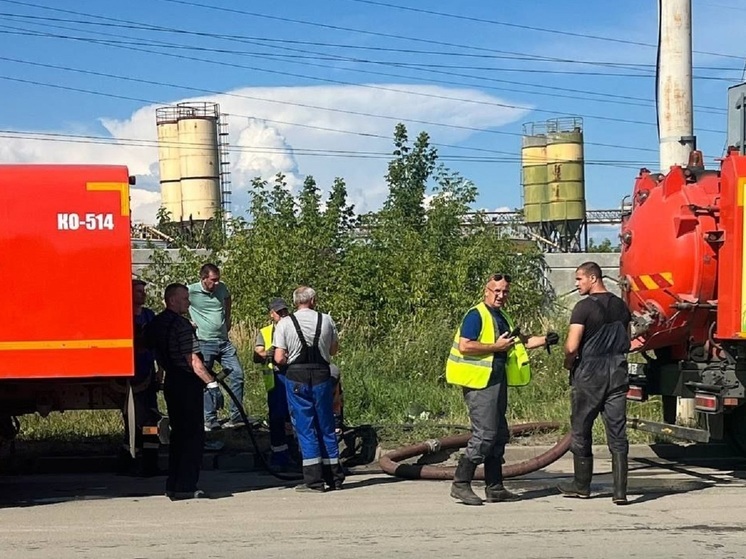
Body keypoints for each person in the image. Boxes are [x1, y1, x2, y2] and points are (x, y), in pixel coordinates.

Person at [446, 273, 559, 506]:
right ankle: (461, 483)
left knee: (499, 434)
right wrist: (495, 347)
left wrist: (545, 340)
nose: (500, 295)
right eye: (496, 291)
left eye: (505, 291)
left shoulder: (502, 316)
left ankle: (495, 487)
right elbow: (466, 345)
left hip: (497, 380)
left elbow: (519, 342)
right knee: (485, 434)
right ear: (486, 290)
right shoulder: (476, 315)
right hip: (479, 382)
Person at [558, 262, 631, 505]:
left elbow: (571, 346)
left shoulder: (584, 307)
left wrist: (569, 363)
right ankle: (620, 492)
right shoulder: (621, 305)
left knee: (581, 429)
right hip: (618, 373)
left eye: (579, 279)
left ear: (592, 278)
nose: (577, 284)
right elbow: (628, 340)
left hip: (590, 375)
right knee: (617, 434)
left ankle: (581, 486)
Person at [144, 283, 221, 501]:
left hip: (171, 382)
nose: (189, 302)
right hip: (187, 383)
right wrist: (211, 383)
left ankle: (173, 485)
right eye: (185, 299)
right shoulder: (182, 326)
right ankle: (187, 486)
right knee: (192, 437)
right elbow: (193, 360)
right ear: (173, 300)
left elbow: (146, 345)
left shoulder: (156, 324)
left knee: (177, 436)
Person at [273, 286, 343, 492]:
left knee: (306, 428)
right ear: (313, 300)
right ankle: (335, 478)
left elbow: (279, 358)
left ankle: (314, 481)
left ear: (295, 302)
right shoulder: (326, 320)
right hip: (322, 375)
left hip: (296, 378)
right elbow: (333, 350)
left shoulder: (285, 323)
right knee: (326, 424)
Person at [188, 263, 246, 431]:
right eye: (213, 280)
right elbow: (174, 302)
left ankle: (236, 416)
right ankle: (210, 418)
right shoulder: (191, 291)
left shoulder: (221, 289)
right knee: (206, 379)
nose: (217, 283)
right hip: (204, 342)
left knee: (237, 374)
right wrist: (188, 323)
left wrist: (228, 318)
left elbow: (227, 298)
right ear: (203, 279)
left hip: (223, 341)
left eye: (218, 279)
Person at [119, 279, 163, 476]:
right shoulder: (122, 317)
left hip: (148, 376)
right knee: (133, 421)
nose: (143, 295)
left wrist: (160, 369)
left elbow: (157, 345)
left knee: (151, 421)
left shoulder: (149, 316)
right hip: (128, 380)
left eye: (144, 291)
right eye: (138, 291)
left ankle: (150, 463)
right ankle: (129, 461)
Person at [253, 297, 293, 468]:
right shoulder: (266, 332)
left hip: (293, 375)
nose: (283, 314)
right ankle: (279, 456)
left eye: (285, 311)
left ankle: (294, 453)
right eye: (279, 312)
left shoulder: (293, 326)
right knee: (277, 417)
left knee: (293, 417)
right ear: (272, 314)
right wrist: (268, 353)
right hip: (276, 379)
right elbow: (257, 354)